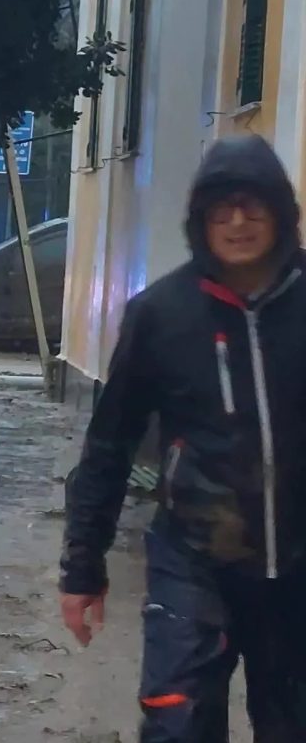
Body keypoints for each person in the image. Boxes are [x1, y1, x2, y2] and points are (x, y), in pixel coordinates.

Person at [61, 134, 306, 741]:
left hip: (300, 571)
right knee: (179, 722)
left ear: (281, 212)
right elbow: (109, 445)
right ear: (201, 219)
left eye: (254, 205)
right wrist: (82, 569)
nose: (239, 221)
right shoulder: (161, 315)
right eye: (223, 208)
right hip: (193, 566)